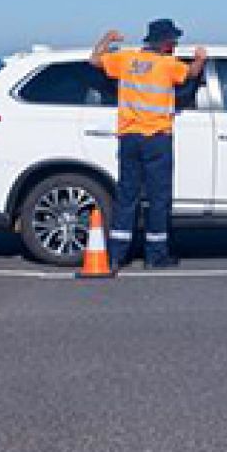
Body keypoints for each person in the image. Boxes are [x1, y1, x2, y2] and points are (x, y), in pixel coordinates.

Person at [90, 19, 207, 270]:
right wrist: (200, 57)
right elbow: (193, 74)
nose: (176, 45)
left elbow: (95, 61)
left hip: (129, 138)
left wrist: (107, 39)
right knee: (158, 198)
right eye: (173, 41)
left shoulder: (126, 60)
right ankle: (156, 255)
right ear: (165, 44)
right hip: (156, 139)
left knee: (126, 197)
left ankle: (115, 256)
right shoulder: (167, 65)